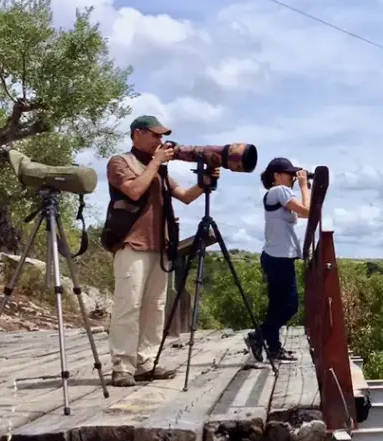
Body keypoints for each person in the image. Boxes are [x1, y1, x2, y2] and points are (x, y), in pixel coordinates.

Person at [103, 114, 219, 387]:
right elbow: (133, 190)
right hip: (131, 243)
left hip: (160, 245)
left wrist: (205, 182)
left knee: (154, 308)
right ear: (137, 134)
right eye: (155, 135)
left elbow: (186, 197)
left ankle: (146, 362)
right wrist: (156, 162)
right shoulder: (120, 162)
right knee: (127, 306)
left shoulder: (160, 170)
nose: (161, 140)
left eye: (161, 135)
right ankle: (122, 366)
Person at [245, 157, 311, 363]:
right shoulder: (279, 191)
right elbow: (308, 212)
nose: (292, 177)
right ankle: (258, 335)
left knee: (276, 306)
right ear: (276, 176)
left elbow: (301, 212)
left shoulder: (280, 194)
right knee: (290, 306)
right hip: (279, 257)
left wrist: (304, 187)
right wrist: (303, 186)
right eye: (289, 173)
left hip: (277, 256)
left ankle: (274, 348)